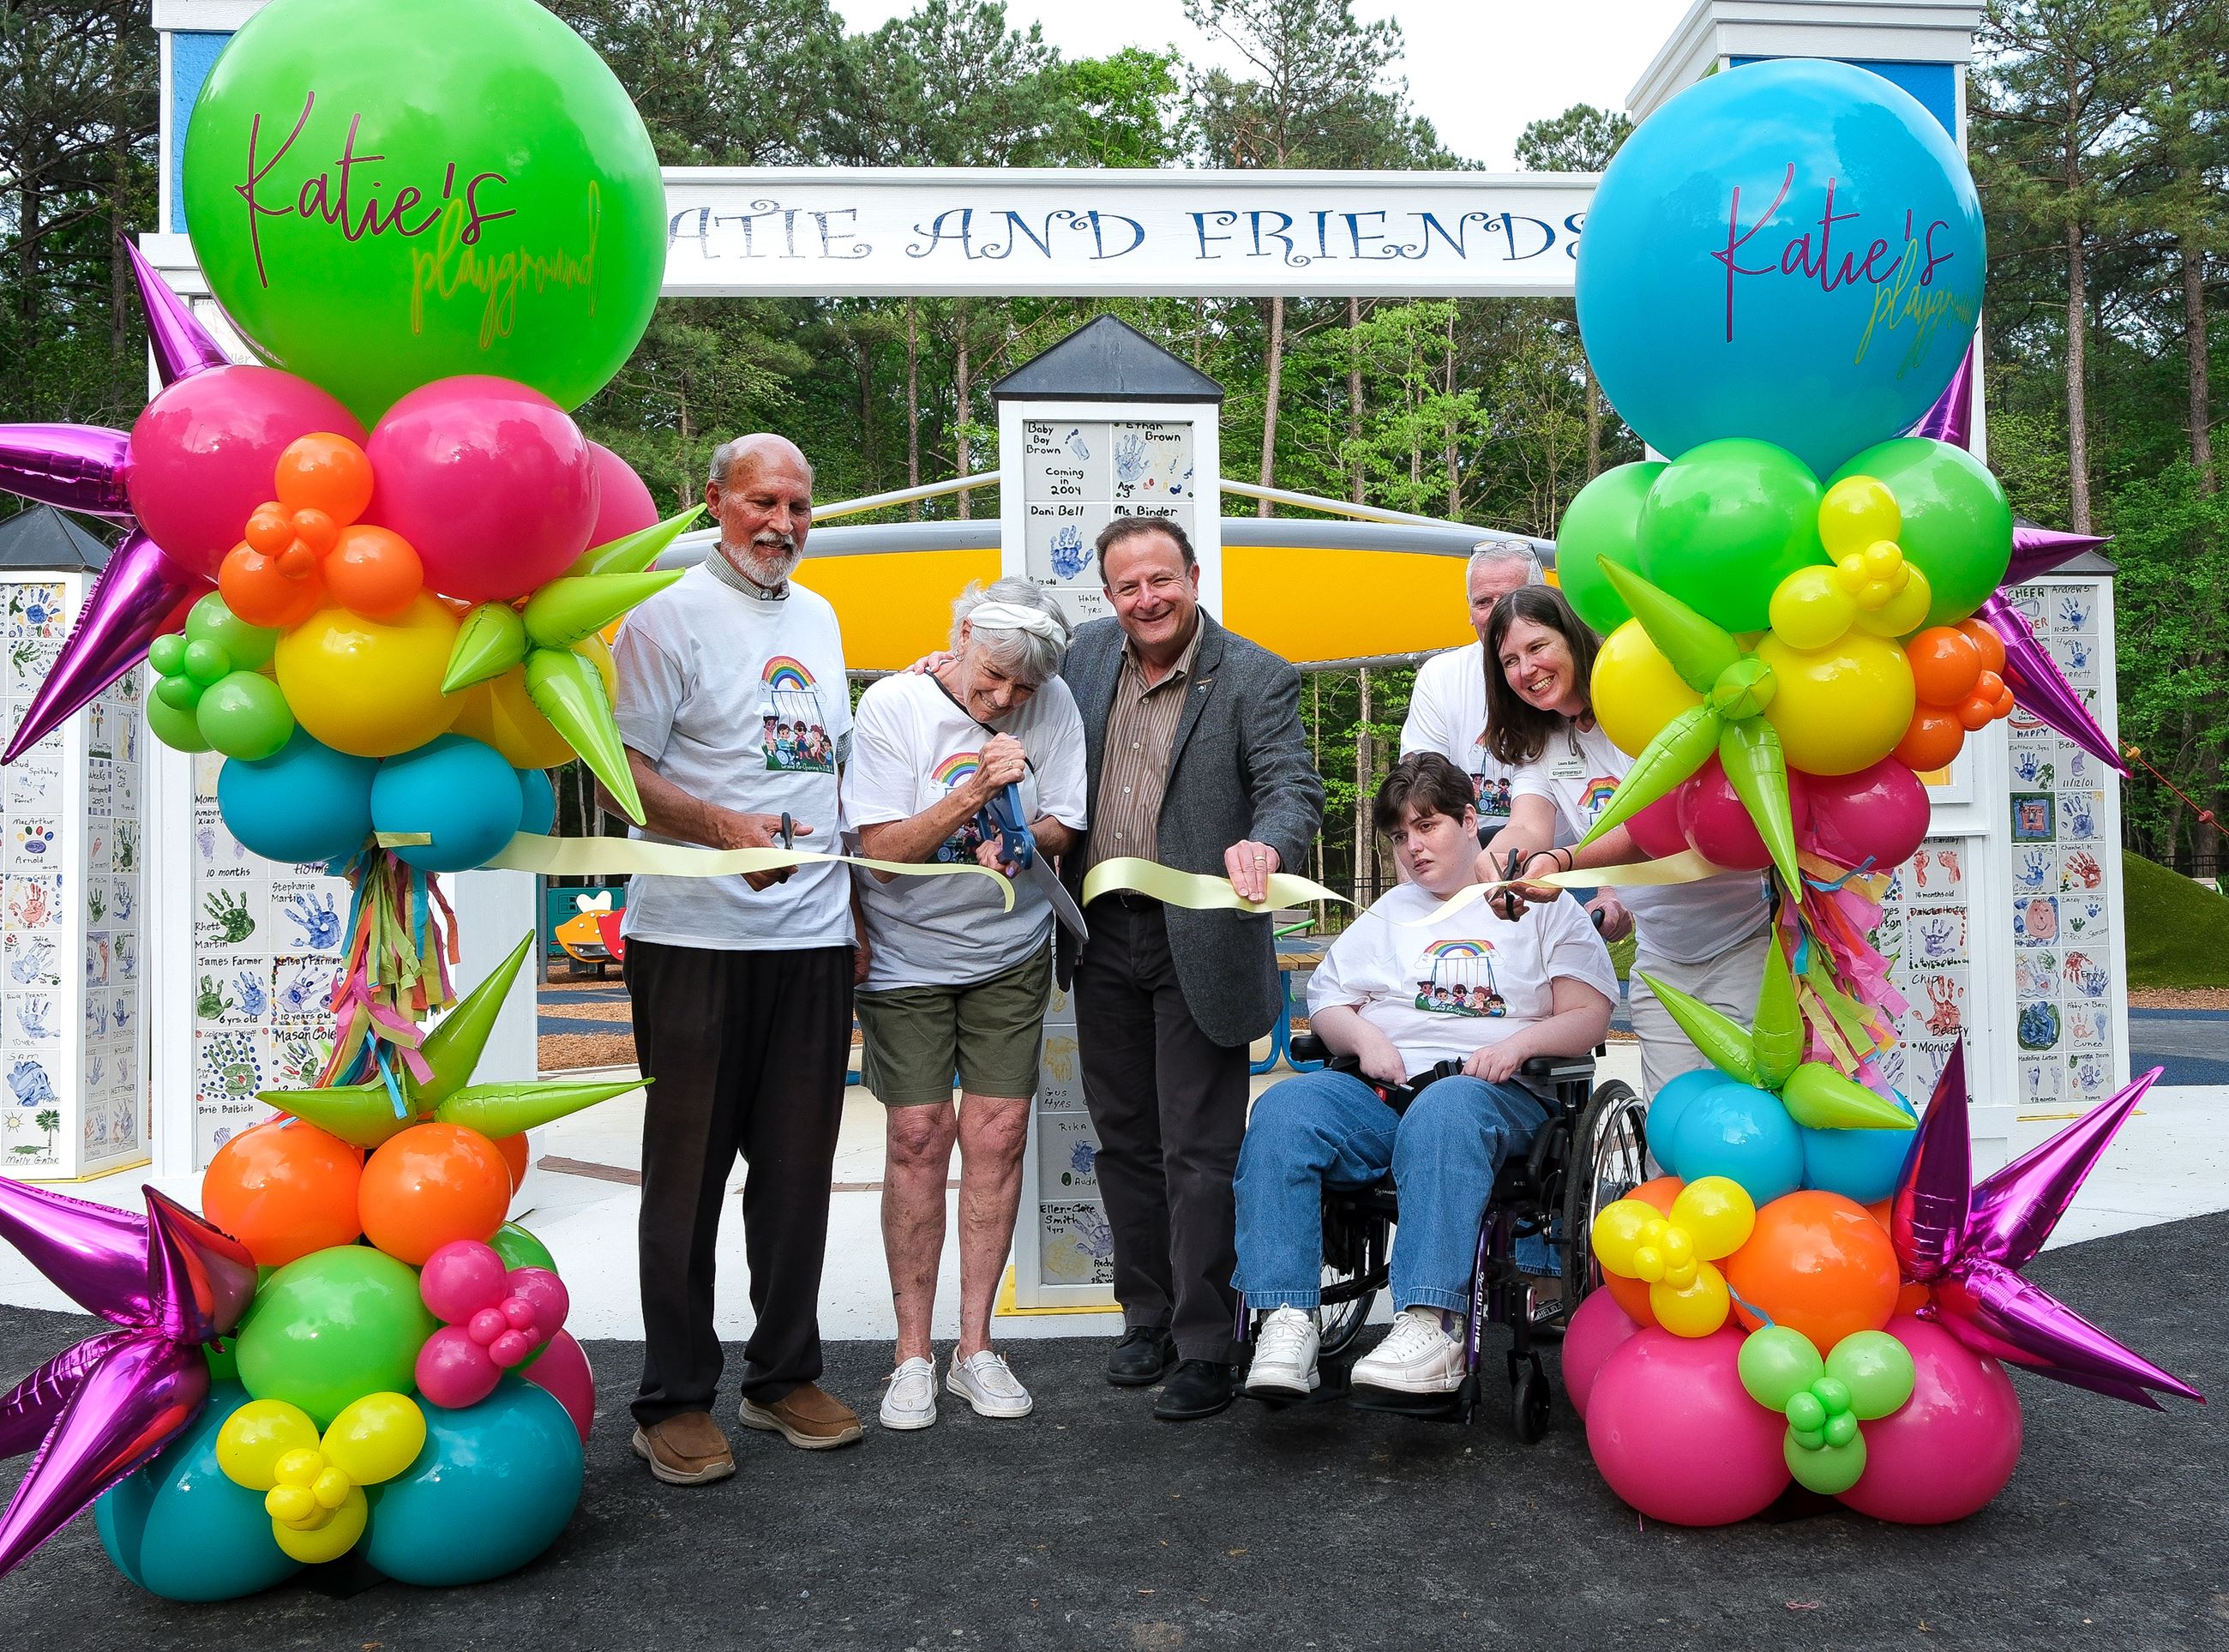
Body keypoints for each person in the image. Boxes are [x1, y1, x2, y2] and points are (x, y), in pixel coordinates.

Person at [610, 432, 865, 1486]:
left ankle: (780, 1378)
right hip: (692, 941)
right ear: (710, 500)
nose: (782, 525)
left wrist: (852, 921)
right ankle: (671, 1397)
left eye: (799, 507)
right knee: (688, 1179)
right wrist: (721, 832)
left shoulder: (819, 614)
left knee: (799, 1174)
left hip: (809, 938)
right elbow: (619, 771)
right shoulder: (662, 619)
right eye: (762, 502)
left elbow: (831, 779)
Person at [1238, 754, 1617, 1400]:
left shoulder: (1538, 904)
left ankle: (1431, 1323)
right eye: (1398, 835)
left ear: (1472, 821)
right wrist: (1362, 1037)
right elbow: (1326, 1001)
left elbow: (1589, 1014)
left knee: (1447, 1109)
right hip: (1383, 1094)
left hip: (1498, 1097)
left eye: (1428, 825)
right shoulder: (1390, 911)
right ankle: (1287, 1316)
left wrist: (1520, 1042)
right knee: (1282, 1111)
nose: (1412, 847)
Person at [1059, 514, 1324, 1422]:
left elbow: (1294, 784)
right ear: (1107, 595)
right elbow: (1004, 686)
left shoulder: (1254, 674)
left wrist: (1267, 842)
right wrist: (946, 674)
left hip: (1202, 939)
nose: (1147, 599)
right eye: (1128, 586)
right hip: (1100, 935)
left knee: (1200, 1152)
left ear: (1193, 575)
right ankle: (1146, 1318)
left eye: (1160, 580)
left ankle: (1210, 1343)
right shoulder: (1081, 657)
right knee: (1124, 1140)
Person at [848, 578, 1087, 1431]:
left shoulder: (1051, 701)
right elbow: (876, 852)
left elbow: (1065, 820)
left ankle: (974, 1348)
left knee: (996, 1134)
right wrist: (970, 795)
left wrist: (1022, 835)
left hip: (1008, 953)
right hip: (906, 955)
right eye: (990, 679)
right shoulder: (891, 705)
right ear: (954, 636)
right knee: (918, 1136)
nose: (1004, 699)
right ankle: (910, 1353)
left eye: (1020, 689)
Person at [1481, 585, 1773, 1097]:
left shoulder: (1641, 705)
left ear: (1574, 639)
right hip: (1660, 960)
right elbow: (1526, 827)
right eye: (1509, 661)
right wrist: (1497, 862)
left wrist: (1566, 861)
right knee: (1671, 1128)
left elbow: (1657, 830)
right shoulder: (1543, 742)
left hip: (1748, 944)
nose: (1526, 670)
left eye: (1537, 647)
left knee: (1744, 1118)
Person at [1399, 538, 1546, 840]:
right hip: (1468, 862)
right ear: (1468, 611)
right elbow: (1416, 795)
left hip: (1567, 864)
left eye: (1508, 600)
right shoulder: (1440, 676)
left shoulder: (1562, 675)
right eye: (1483, 602)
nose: (1495, 615)